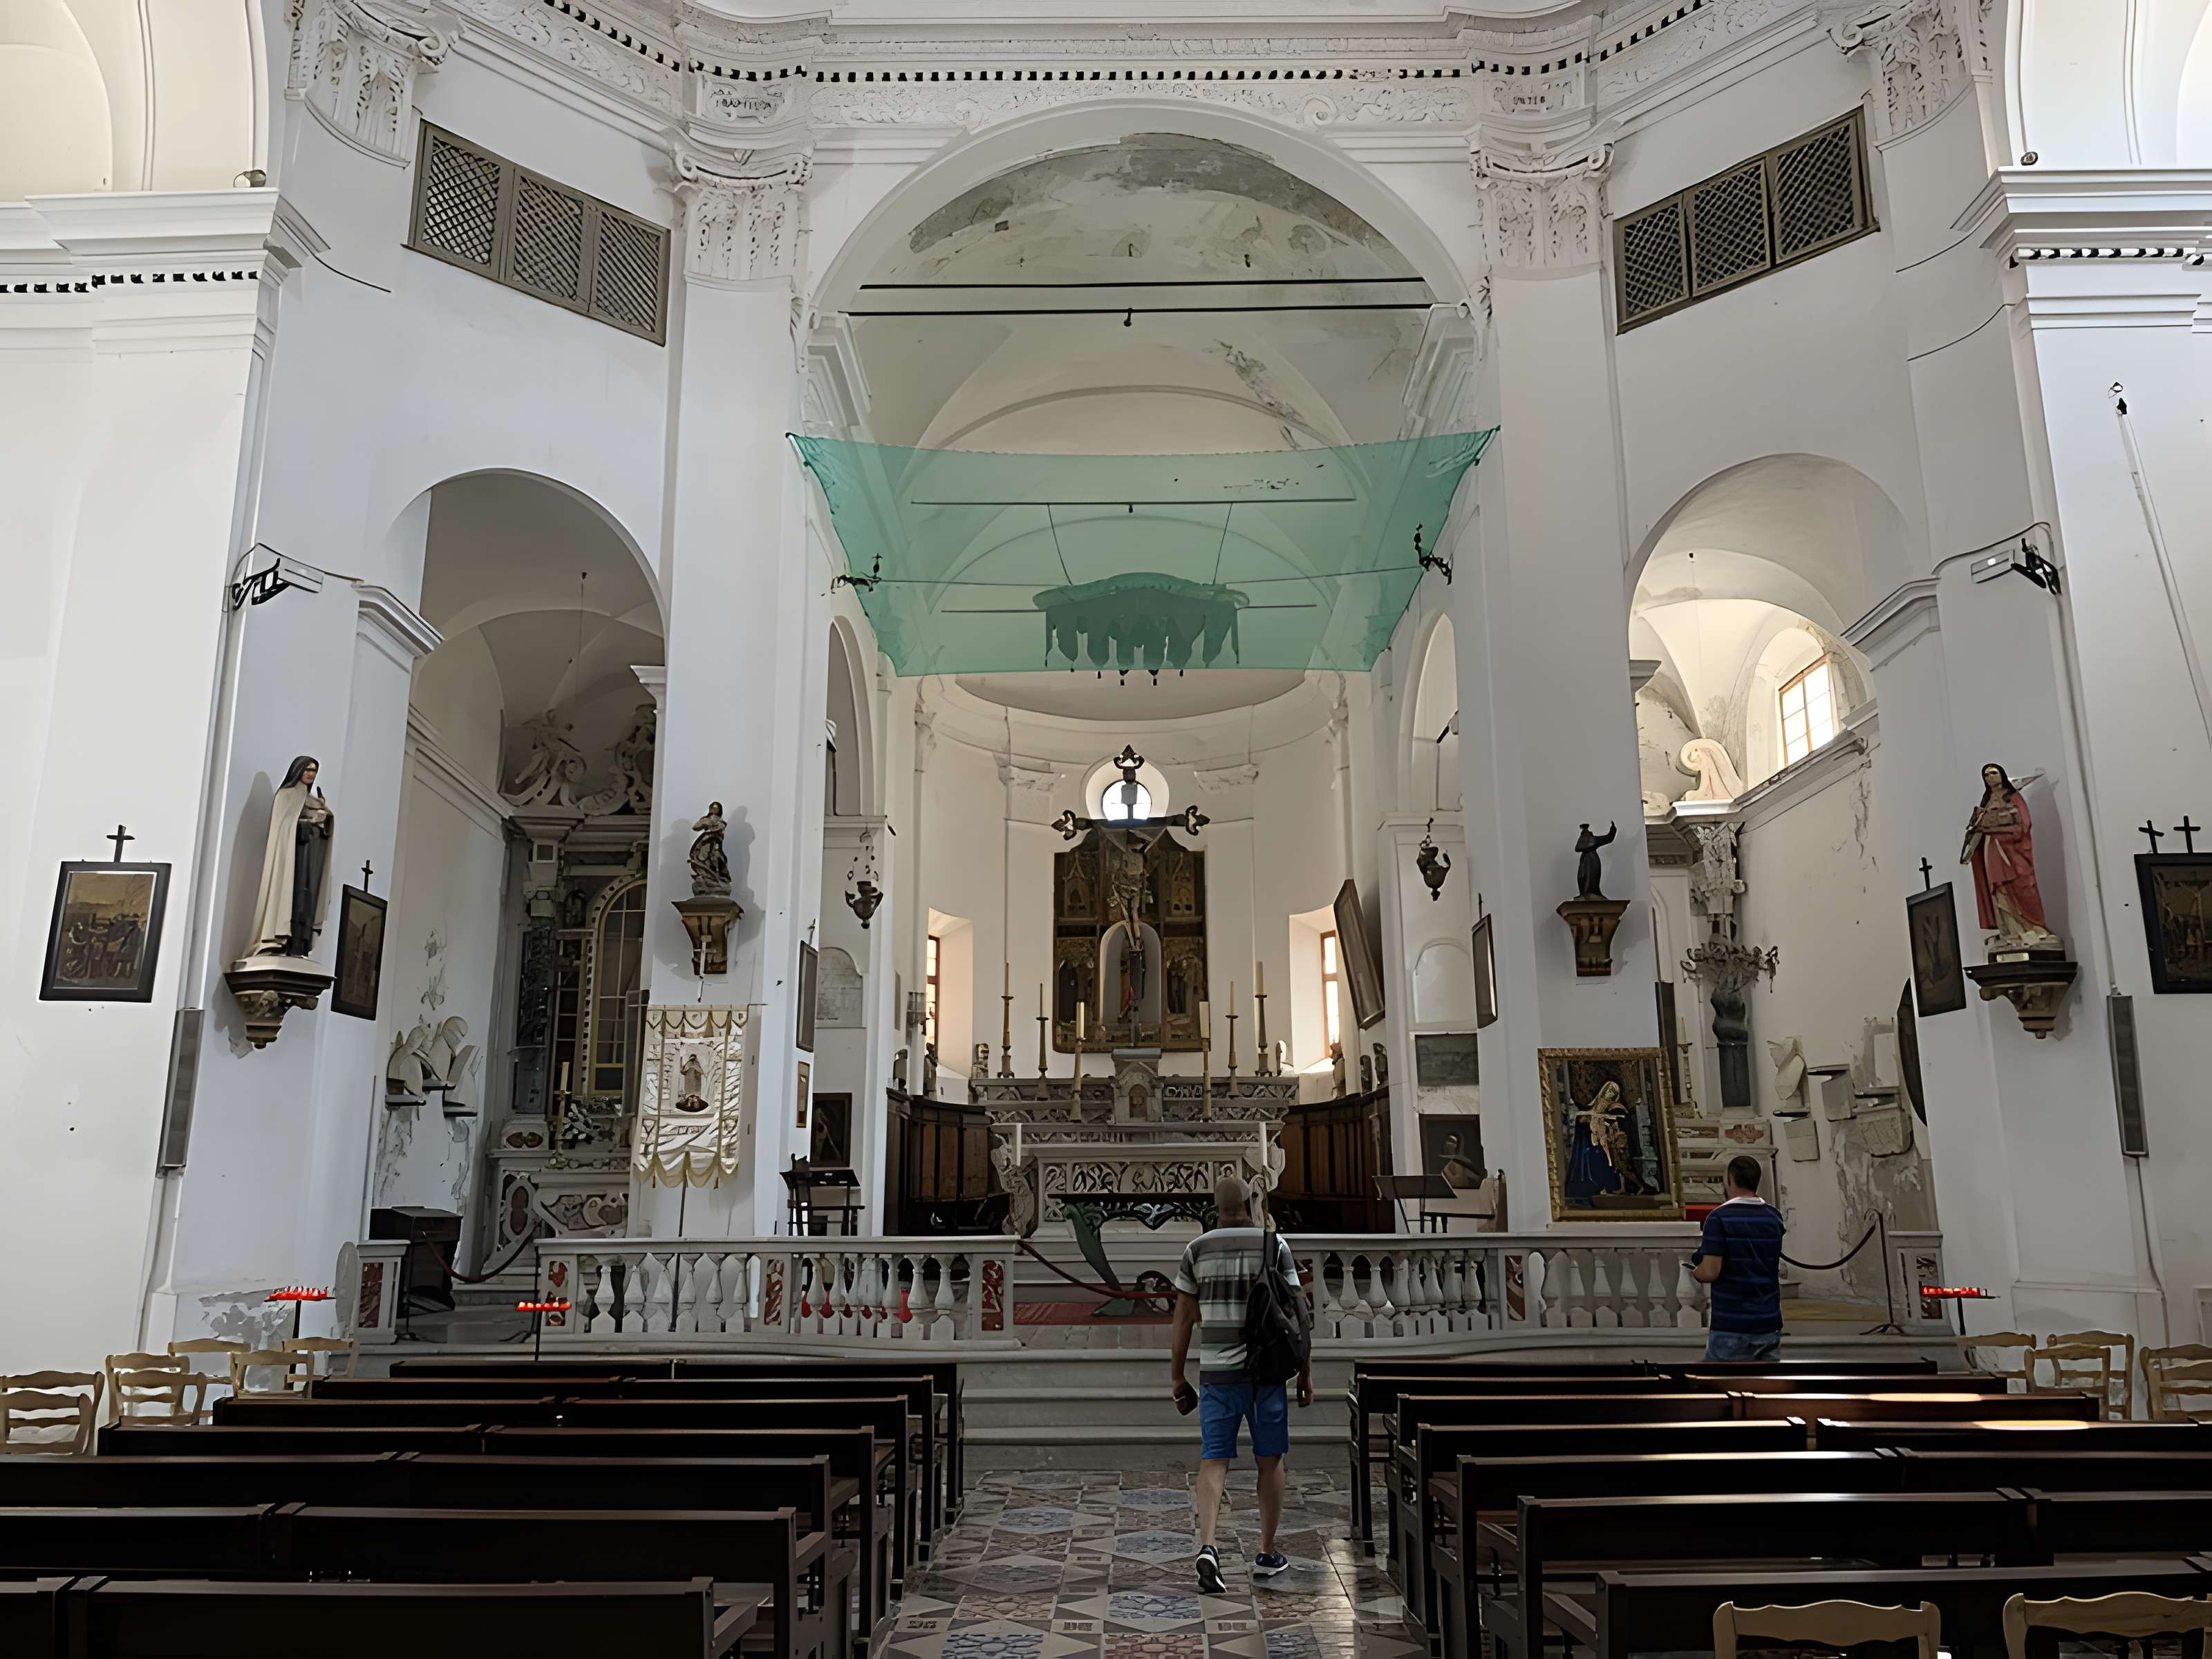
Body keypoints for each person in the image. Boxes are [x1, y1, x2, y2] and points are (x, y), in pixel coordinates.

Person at [1170, 1174, 1313, 1593]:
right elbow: (1299, 1313)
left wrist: (1177, 1376)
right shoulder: (1275, 1245)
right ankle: (1267, 1553)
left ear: (1214, 1207)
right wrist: (1305, 1371)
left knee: (1214, 1460)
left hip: (1217, 1375)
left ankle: (1208, 1546)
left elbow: (1183, 1320)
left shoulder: (1196, 1250)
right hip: (1267, 1374)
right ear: (1252, 1201)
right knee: (1270, 1460)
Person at [1691, 1155, 1786, 1361]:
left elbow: (1710, 1272)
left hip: (1732, 1322)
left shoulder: (1719, 1218)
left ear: (1730, 1181)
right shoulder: (1773, 1216)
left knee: (1722, 1379)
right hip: (1768, 1320)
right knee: (1766, 1379)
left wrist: (1695, 1272)